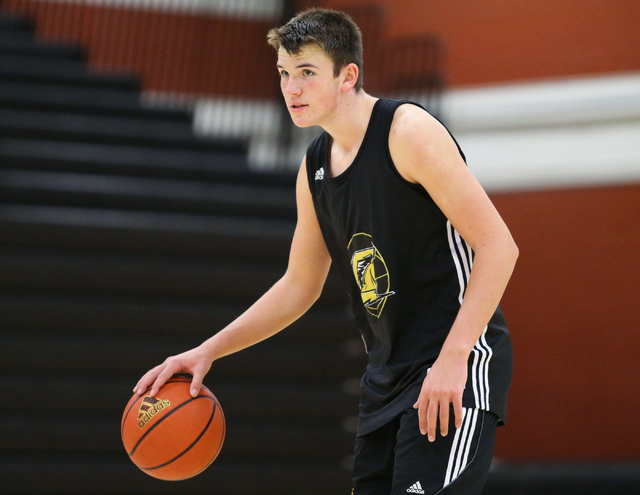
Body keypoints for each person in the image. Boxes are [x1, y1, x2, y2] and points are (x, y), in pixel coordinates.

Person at [134, 8, 518, 495]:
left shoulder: (408, 133)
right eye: (284, 74)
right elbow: (298, 286)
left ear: (347, 76)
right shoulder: (314, 166)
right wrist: (206, 351)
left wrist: (452, 361)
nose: (291, 89)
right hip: (386, 381)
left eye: (307, 73)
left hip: (455, 365)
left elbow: (499, 247)